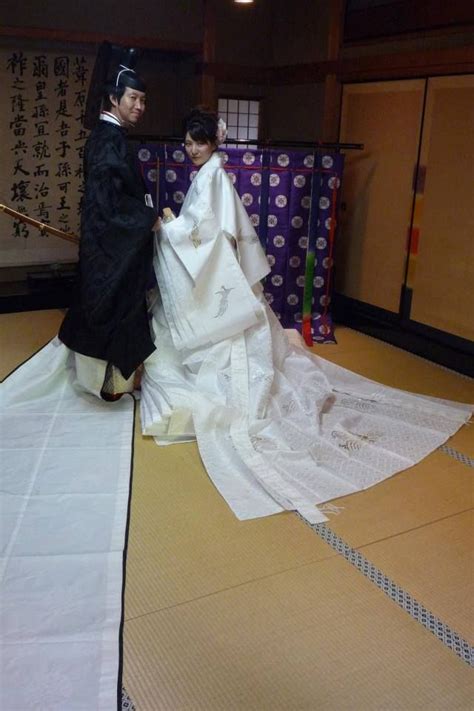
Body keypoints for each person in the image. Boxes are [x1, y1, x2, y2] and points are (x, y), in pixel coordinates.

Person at [140, 108, 472, 524]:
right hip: (220, 269)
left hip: (219, 270)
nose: (191, 149)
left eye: (199, 142)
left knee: (233, 347)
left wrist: (169, 229)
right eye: (187, 142)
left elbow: (205, 231)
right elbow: (204, 227)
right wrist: (180, 226)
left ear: (214, 143)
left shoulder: (214, 177)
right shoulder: (210, 174)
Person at [58, 64, 161, 400]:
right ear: (114, 99)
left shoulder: (111, 137)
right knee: (113, 309)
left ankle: (113, 383)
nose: (140, 106)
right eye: (133, 98)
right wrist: (146, 218)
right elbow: (109, 203)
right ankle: (108, 385)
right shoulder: (107, 141)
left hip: (111, 243)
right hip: (110, 246)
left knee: (116, 310)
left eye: (143, 100)